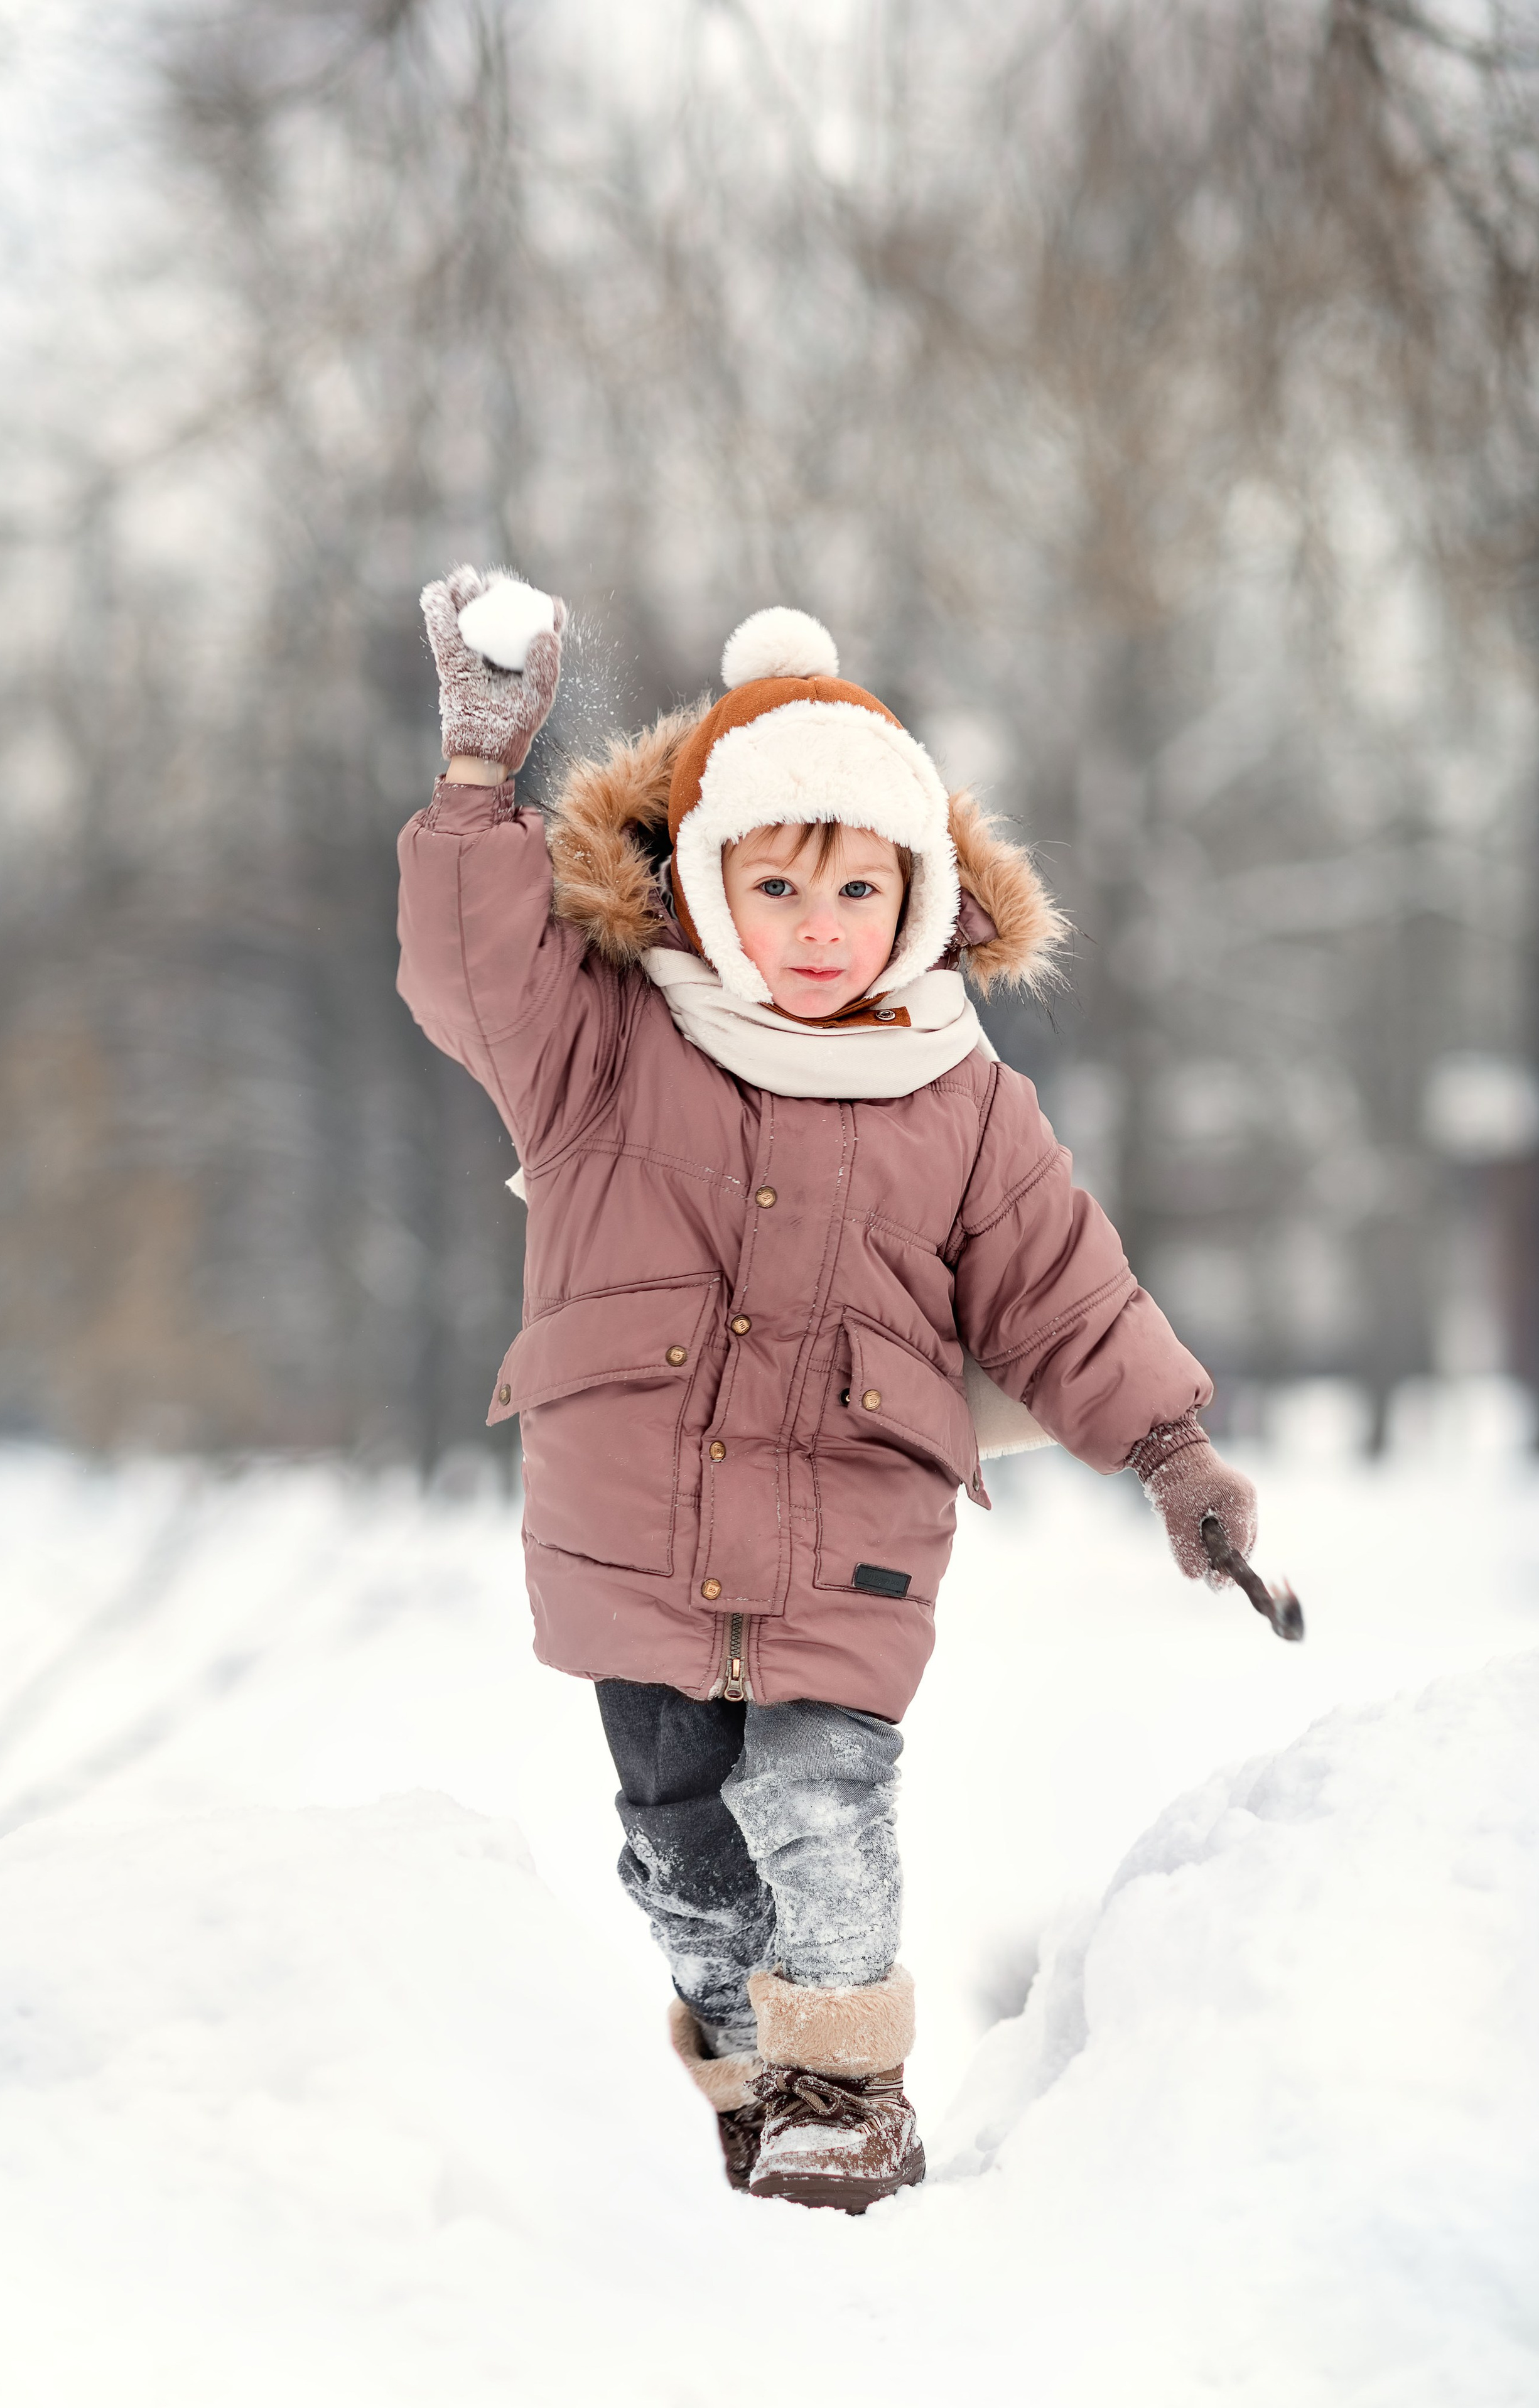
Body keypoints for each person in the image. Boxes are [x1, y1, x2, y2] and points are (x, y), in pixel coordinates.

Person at [397, 569, 1256, 2213]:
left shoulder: (962, 1095)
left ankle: (848, 2092)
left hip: (848, 1509)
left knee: (818, 1788)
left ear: (920, 893)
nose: (813, 923)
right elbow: (468, 972)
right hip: (632, 1524)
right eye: (774, 880)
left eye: (854, 885)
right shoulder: (607, 1048)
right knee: (677, 1832)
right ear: (711, 888)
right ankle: (749, 2072)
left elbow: (1068, 1288)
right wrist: (476, 778)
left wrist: (1171, 1445)